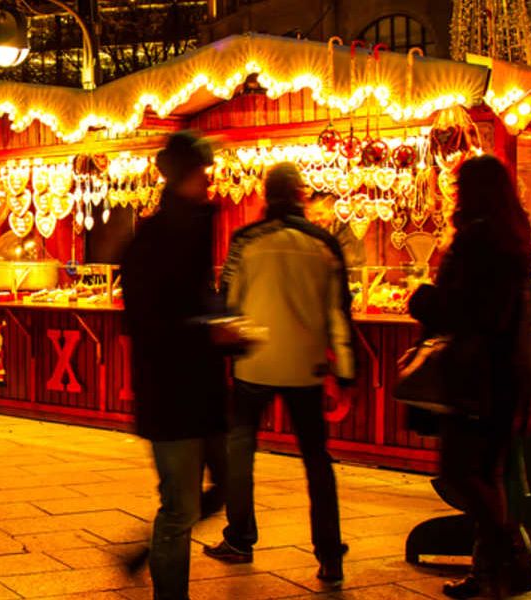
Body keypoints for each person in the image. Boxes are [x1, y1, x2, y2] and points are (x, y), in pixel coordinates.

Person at [205, 162, 355, 583]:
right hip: (306, 367)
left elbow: (228, 301)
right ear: (301, 196)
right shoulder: (324, 243)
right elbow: (337, 312)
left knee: (241, 451)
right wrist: (344, 372)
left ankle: (240, 537)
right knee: (316, 461)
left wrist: (227, 353)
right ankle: (329, 553)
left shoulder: (246, 241)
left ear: (266, 196)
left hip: (254, 361)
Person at [407, 155, 531, 599]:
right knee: (488, 473)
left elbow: (465, 311)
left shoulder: (476, 240)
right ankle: (491, 572)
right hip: (508, 374)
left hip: (476, 377)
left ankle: (509, 554)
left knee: (462, 472)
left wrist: (422, 299)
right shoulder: (512, 239)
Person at [120, 131, 229, 600]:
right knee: (181, 505)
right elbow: (151, 321)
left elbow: (195, 300)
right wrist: (209, 329)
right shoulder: (156, 240)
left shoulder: (194, 229)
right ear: (185, 175)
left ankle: (145, 556)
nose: (209, 182)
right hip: (170, 391)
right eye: (203, 173)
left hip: (201, 388)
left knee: (220, 492)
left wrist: (218, 322)